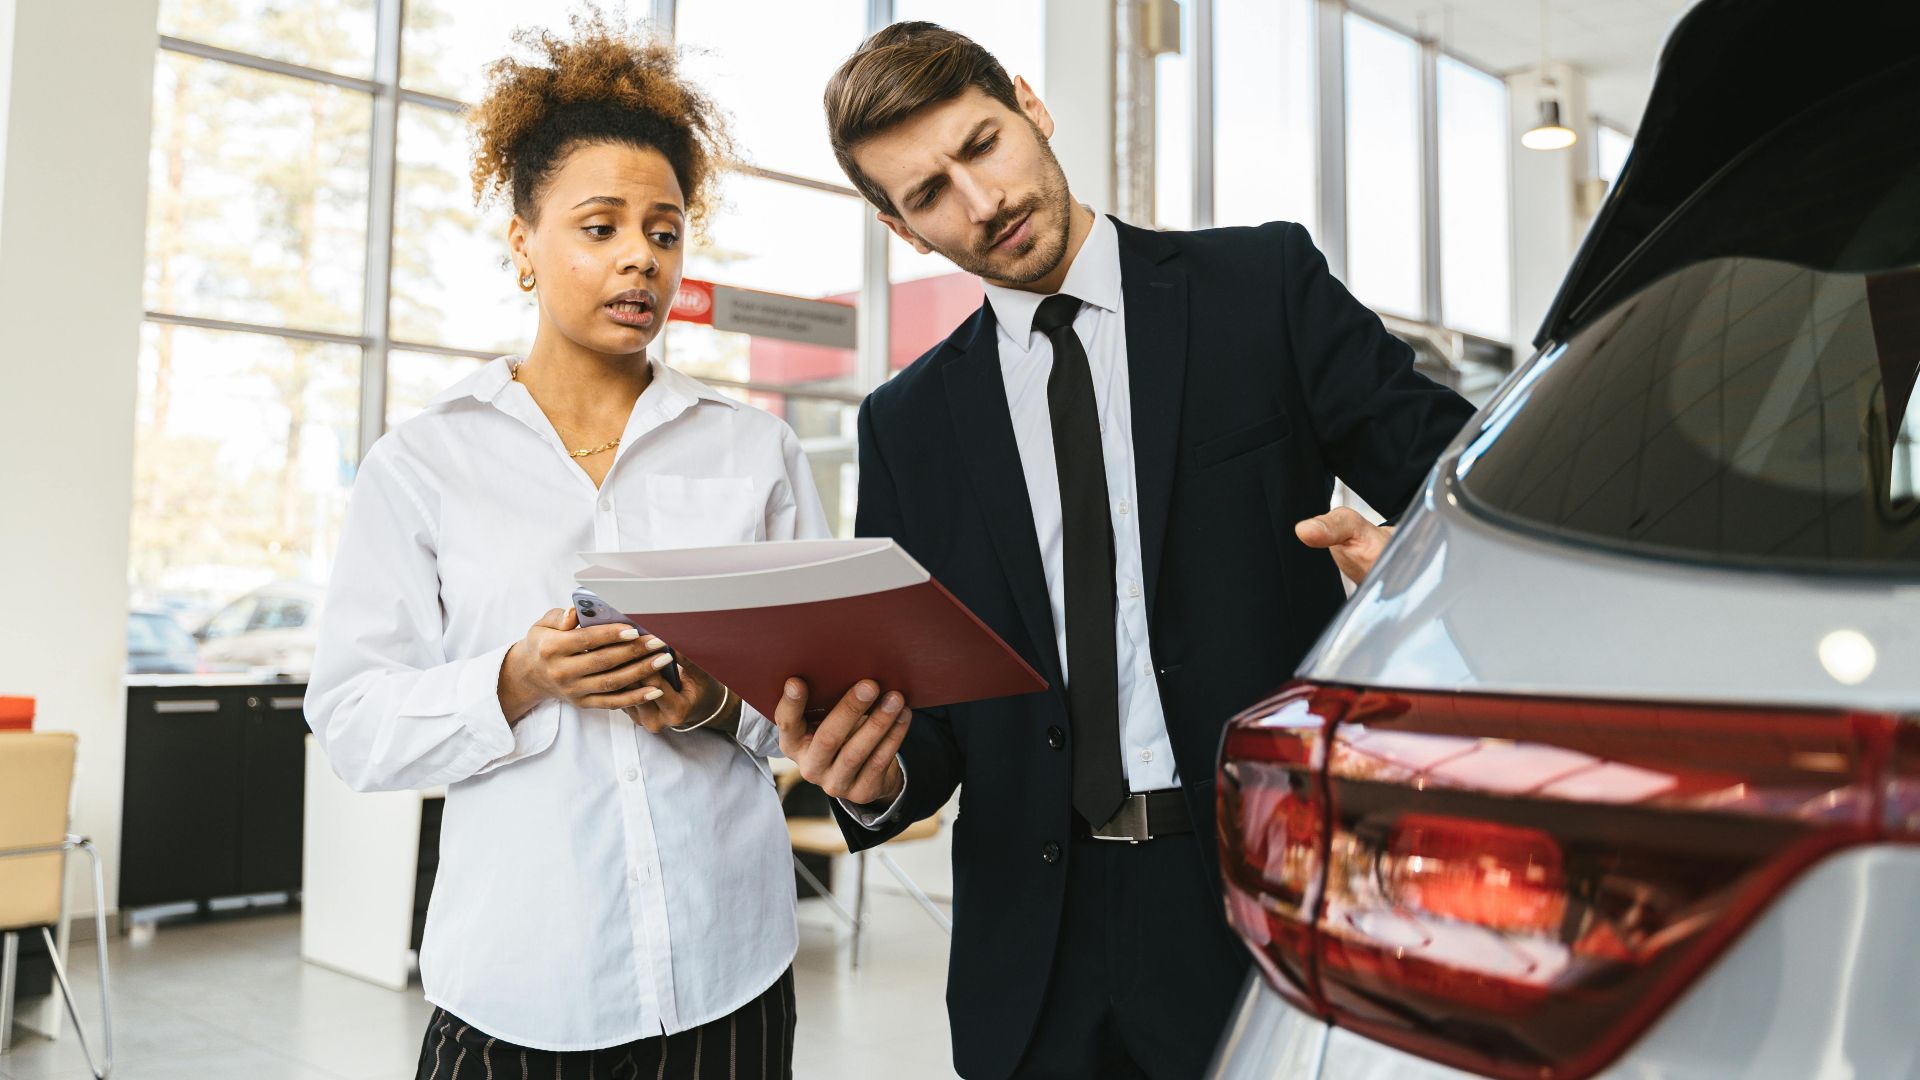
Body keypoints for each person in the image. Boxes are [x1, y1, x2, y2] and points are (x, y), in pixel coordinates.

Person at [773, 22, 1478, 1080]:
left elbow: (1473, 490)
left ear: (1030, 105)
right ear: (900, 230)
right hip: (1036, 950)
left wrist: (1418, 582)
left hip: (1266, 897)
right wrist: (869, 774)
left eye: (983, 145)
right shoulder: (907, 427)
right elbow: (933, 730)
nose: (981, 201)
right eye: (928, 195)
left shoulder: (1261, 288)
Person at [305, 16, 882, 1079]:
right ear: (523, 242)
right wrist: (515, 679)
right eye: (601, 226)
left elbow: (812, 699)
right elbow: (350, 722)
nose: (638, 259)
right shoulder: (424, 463)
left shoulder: (753, 450)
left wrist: (710, 701)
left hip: (728, 974)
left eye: (663, 233)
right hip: (515, 986)